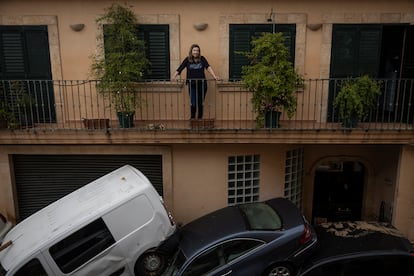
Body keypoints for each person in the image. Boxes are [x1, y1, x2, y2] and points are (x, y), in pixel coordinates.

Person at [172, 44, 218, 119]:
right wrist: (174, 76)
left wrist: (214, 76)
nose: (196, 52)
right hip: (192, 85)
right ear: (191, 51)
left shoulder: (202, 59)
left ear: (199, 52)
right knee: (193, 102)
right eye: (194, 50)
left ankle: (199, 118)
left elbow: (208, 67)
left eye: (197, 50)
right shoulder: (187, 60)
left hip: (202, 85)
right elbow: (180, 68)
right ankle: (192, 118)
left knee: (200, 102)